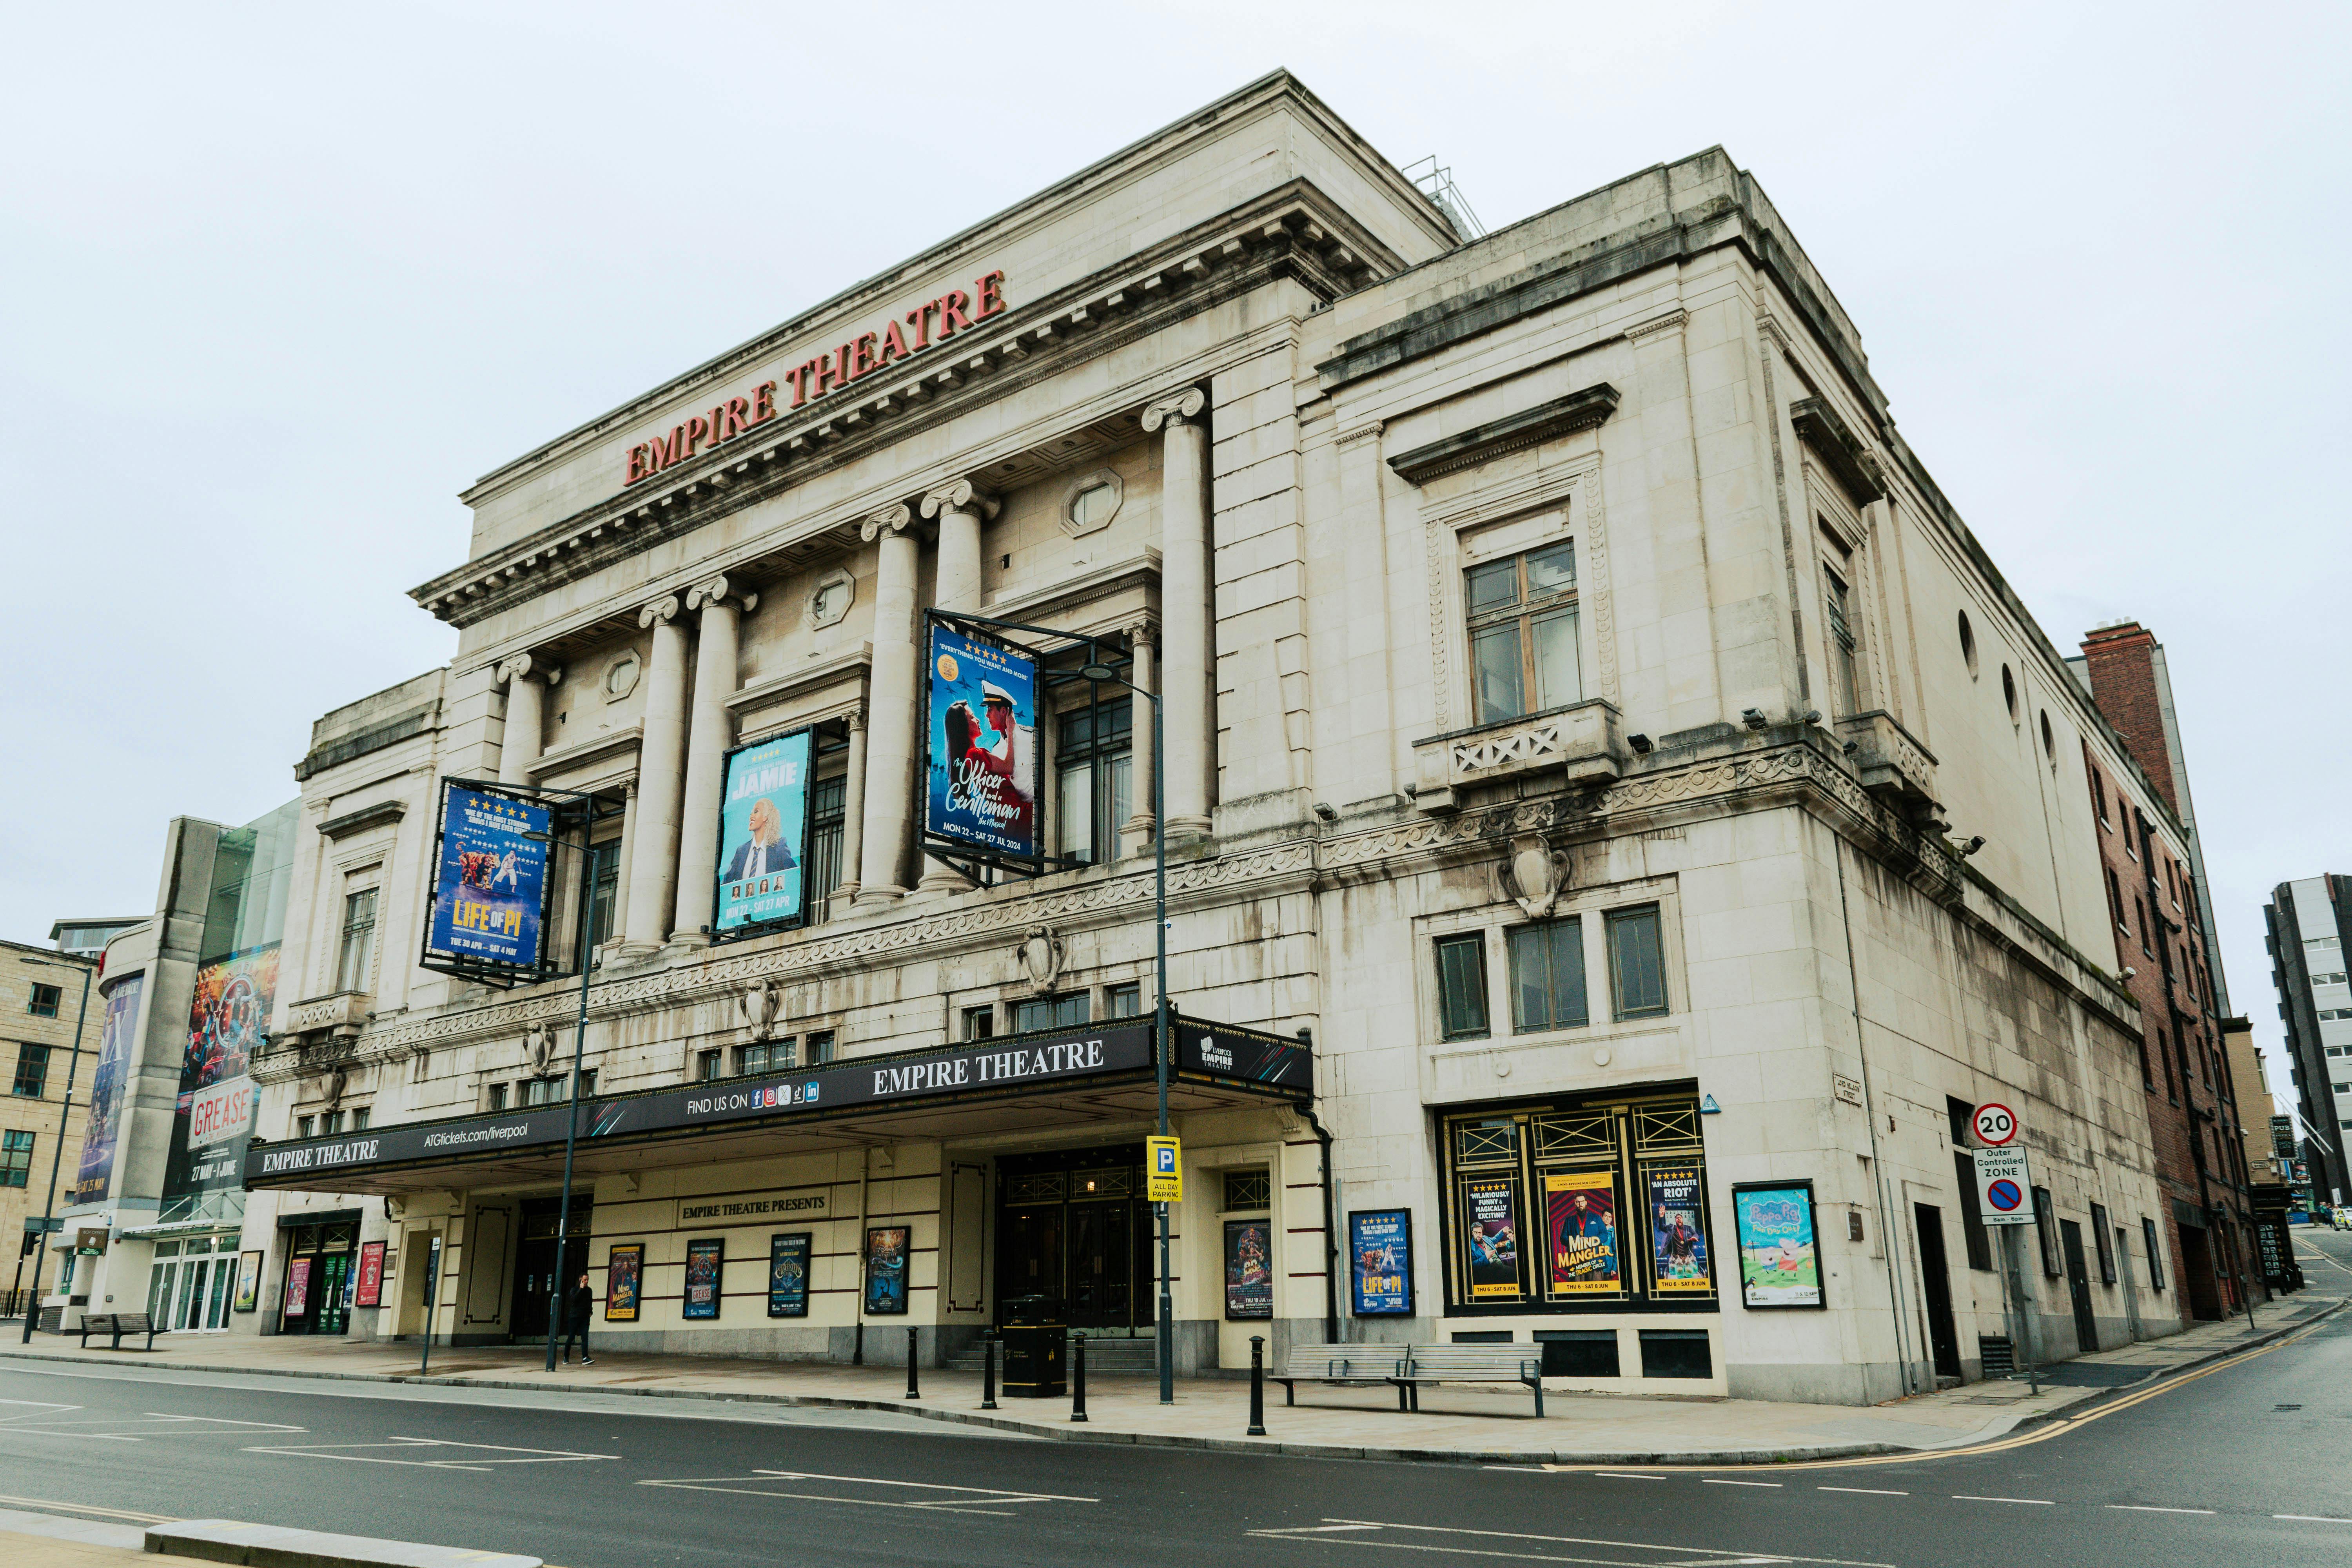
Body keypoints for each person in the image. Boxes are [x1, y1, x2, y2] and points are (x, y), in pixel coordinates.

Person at [724, 795, 797, 881]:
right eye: (751, 813)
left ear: (765, 817)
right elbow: (725, 884)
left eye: (756, 812)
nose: (751, 816)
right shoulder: (741, 851)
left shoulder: (779, 847)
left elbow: (793, 876)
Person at [559, 1270, 594, 1366]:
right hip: (574, 1317)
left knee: (585, 1338)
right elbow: (574, 1300)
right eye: (585, 1280)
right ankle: (566, 1357)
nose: (586, 1282)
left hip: (585, 1318)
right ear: (581, 1280)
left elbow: (590, 1302)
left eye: (588, 1280)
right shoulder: (574, 1290)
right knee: (571, 1337)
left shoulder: (589, 1290)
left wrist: (591, 1312)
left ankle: (585, 1357)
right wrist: (581, 1290)